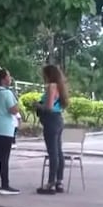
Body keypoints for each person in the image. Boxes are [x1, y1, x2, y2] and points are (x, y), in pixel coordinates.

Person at [36, 64, 69, 195]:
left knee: (53, 153)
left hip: (50, 120)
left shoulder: (51, 86)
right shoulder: (60, 87)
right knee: (59, 151)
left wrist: (37, 105)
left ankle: (51, 183)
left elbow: (49, 106)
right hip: (58, 120)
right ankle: (59, 181)